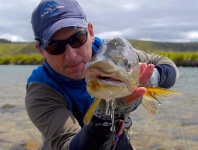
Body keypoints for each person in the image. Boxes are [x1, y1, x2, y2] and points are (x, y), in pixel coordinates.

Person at [25, 0, 179, 150]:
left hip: (113, 136)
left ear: (90, 32)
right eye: (55, 46)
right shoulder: (40, 92)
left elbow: (166, 64)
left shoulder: (115, 55)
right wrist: (107, 113)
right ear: (40, 50)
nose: (71, 55)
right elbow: (68, 145)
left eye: (77, 39)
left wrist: (151, 78)